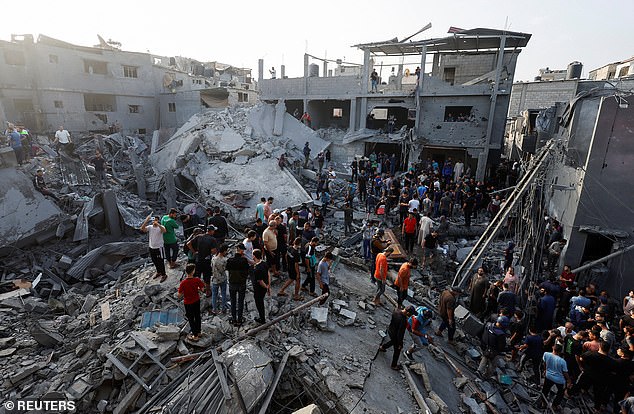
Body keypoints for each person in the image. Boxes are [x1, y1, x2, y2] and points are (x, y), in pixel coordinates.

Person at [379, 305, 417, 370]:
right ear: (408, 313)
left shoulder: (396, 310)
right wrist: (400, 344)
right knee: (397, 350)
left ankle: (383, 347)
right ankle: (394, 365)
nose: (411, 316)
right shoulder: (403, 321)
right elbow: (400, 334)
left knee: (392, 342)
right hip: (395, 335)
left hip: (390, 330)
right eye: (411, 314)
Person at [187, 225, 218, 296]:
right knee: (207, 276)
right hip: (206, 261)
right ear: (211, 231)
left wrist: (194, 252)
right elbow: (213, 251)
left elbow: (188, 243)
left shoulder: (199, 236)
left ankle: (196, 290)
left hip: (198, 259)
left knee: (197, 275)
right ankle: (207, 291)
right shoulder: (212, 239)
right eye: (213, 230)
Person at [178, 263, 205, 341]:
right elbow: (203, 290)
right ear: (193, 271)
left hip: (188, 302)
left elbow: (179, 295)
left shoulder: (183, 283)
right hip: (196, 300)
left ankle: (195, 335)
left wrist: (184, 292)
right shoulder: (197, 280)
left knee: (191, 319)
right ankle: (199, 332)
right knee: (197, 316)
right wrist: (198, 289)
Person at [540, 343, 570, 410]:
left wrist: (545, 370)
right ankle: (554, 405)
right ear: (560, 351)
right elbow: (565, 372)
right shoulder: (562, 361)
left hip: (548, 376)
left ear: (553, 348)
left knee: (545, 389)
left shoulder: (546, 354)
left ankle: (543, 402)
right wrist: (568, 380)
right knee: (561, 393)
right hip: (559, 380)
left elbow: (544, 363)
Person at [226, 243, 250, 326]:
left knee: (233, 301)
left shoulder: (230, 260)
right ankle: (239, 319)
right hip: (242, 284)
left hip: (232, 283)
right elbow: (247, 271)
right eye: (242, 249)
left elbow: (227, 269)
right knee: (240, 301)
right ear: (240, 249)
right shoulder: (244, 261)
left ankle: (233, 319)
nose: (243, 251)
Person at [140, 214, 167, 282]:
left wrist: (158, 224)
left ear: (158, 221)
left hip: (159, 247)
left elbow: (164, 231)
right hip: (151, 247)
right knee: (154, 260)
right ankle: (158, 272)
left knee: (160, 261)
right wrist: (146, 221)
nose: (154, 221)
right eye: (153, 220)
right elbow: (142, 229)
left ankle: (164, 274)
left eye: (156, 220)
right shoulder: (150, 227)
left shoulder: (161, 227)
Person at [252, 249, 270, 324]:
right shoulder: (264, 263)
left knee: (259, 303)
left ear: (254, 256)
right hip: (265, 286)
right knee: (261, 301)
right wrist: (268, 285)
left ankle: (262, 319)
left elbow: (260, 281)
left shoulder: (257, 269)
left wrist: (266, 287)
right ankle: (262, 317)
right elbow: (268, 273)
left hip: (259, 289)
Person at [210, 244, 229, 315]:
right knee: (223, 293)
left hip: (215, 279)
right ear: (224, 251)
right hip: (222, 279)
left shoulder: (213, 258)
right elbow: (224, 269)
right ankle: (223, 308)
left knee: (214, 295)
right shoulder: (224, 260)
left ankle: (214, 309)